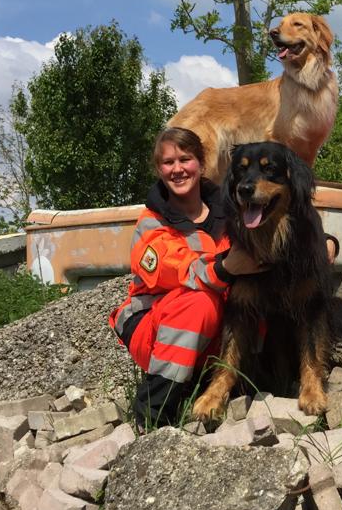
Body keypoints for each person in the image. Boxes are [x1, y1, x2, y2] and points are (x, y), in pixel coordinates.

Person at [109, 126, 265, 428]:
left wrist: (325, 242)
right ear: (159, 170)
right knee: (198, 303)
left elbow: (276, 230)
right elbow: (173, 268)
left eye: (185, 159)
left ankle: (247, 385)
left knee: (255, 299)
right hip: (154, 327)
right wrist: (226, 268)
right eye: (168, 162)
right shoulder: (151, 223)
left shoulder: (232, 210)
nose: (177, 169)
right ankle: (153, 411)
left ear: (202, 164)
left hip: (215, 327)